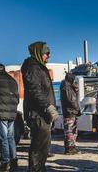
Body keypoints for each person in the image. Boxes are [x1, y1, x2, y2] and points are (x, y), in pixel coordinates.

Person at [21, 41, 59, 171]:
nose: (48, 56)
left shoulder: (40, 67)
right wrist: (48, 106)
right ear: (38, 53)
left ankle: (40, 168)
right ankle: (36, 169)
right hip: (37, 113)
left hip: (43, 114)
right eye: (46, 53)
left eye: (49, 53)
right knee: (38, 146)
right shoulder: (32, 67)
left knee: (44, 146)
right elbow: (34, 90)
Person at [60, 73, 81, 155]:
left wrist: (75, 89)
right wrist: (78, 109)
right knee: (70, 131)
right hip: (70, 112)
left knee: (72, 130)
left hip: (69, 112)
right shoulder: (67, 86)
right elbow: (71, 100)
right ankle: (70, 148)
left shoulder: (66, 86)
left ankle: (71, 146)